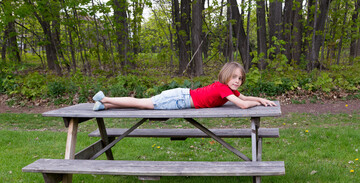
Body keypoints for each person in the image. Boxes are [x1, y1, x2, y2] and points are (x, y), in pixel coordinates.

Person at [92, 62, 276, 111]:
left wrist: (260, 99)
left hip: (182, 97)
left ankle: (105, 106)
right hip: (179, 99)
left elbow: (243, 98)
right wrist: (258, 104)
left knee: (143, 103)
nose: (237, 81)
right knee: (142, 103)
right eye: (234, 77)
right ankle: (105, 98)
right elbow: (243, 105)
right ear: (226, 75)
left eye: (240, 78)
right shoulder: (222, 88)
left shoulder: (229, 89)